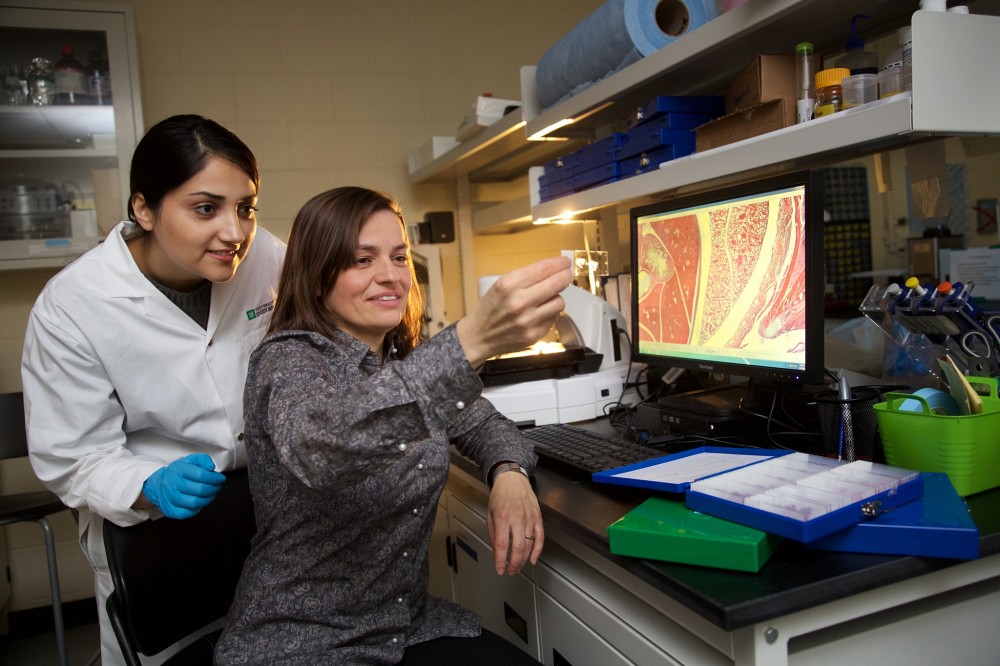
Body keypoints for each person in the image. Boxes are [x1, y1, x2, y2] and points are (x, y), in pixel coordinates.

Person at [214, 186, 572, 665]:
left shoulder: (402, 359)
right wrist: (470, 341)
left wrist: (509, 473)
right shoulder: (287, 361)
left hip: (403, 629)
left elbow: (486, 425)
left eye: (399, 258)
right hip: (300, 644)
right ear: (318, 275)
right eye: (362, 260)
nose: (390, 277)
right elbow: (323, 448)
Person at [20, 114, 286, 666]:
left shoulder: (269, 259)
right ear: (144, 208)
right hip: (156, 527)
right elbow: (71, 455)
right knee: (171, 654)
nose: (234, 232)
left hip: (268, 509)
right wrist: (149, 485)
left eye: (246, 207)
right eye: (206, 208)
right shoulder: (74, 304)